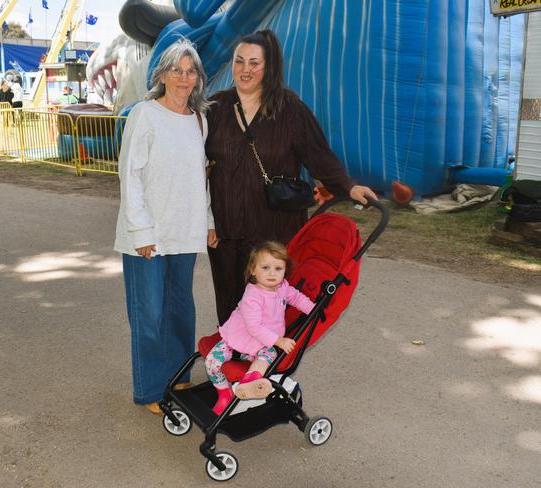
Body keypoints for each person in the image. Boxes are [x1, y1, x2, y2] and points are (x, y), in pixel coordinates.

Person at [205, 29, 378, 324]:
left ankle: (267, 367)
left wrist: (347, 187)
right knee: (230, 299)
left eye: (254, 63)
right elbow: (197, 165)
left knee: (270, 305)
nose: (245, 70)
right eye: (239, 61)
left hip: (275, 229)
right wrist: (205, 220)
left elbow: (318, 154)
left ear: (269, 67)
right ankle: (228, 365)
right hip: (226, 228)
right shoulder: (215, 108)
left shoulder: (289, 109)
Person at [113, 39, 216, 415]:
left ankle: (179, 375)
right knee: (150, 313)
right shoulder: (145, 114)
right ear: (162, 74)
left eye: (191, 71)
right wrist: (141, 233)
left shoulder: (198, 120)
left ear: (198, 78)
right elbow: (131, 176)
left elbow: (198, 179)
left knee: (179, 309)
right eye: (177, 69)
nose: (184, 77)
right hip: (149, 236)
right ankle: (152, 389)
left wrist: (207, 222)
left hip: (183, 232)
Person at [205, 241, 314, 415]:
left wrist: (314, 309)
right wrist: (279, 340)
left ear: (285, 271)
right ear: (253, 271)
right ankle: (224, 393)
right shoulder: (253, 295)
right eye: (265, 268)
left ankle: (251, 382)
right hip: (240, 337)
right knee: (212, 362)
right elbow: (254, 327)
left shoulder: (282, 287)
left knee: (267, 356)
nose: (272, 273)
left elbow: (296, 297)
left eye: (278, 269)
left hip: (264, 343)